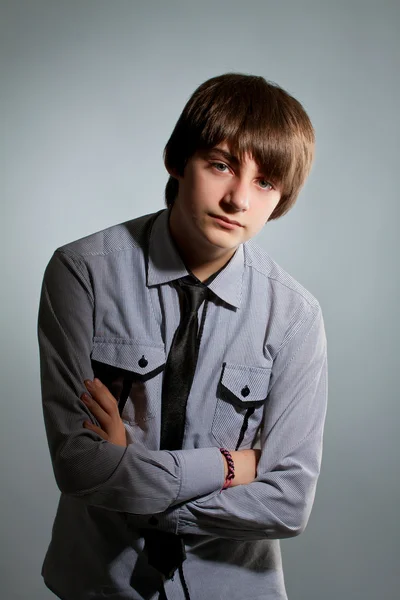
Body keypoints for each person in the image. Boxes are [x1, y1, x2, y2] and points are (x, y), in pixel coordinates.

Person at [38, 73, 328, 600]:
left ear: (280, 197)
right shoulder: (81, 273)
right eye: (221, 165)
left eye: (265, 182)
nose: (239, 198)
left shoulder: (295, 317)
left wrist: (134, 473)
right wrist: (227, 466)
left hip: (234, 587)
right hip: (98, 583)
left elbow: (288, 502)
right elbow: (79, 466)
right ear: (177, 161)